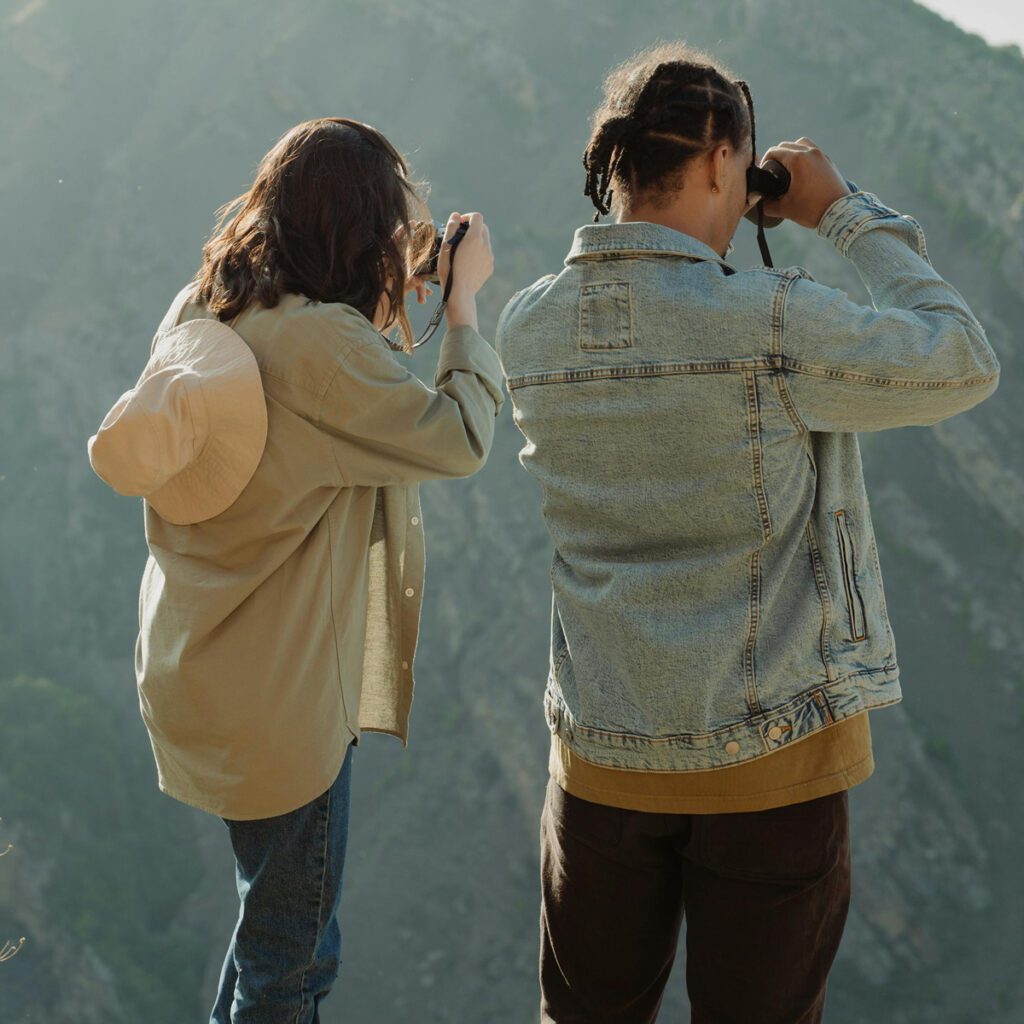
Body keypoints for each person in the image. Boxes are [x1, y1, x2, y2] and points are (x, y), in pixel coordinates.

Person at [495, 43, 999, 1024]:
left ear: (618, 166)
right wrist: (840, 212)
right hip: (770, 770)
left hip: (603, 754)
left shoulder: (527, 327)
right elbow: (962, 357)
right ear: (727, 157)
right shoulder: (771, 321)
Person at [87, 117, 504, 1023]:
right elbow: (460, 437)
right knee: (294, 962)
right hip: (282, 704)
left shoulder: (207, 303)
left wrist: (405, 278)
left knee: (264, 930)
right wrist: (463, 303)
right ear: (361, 228)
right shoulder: (325, 351)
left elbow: (328, 387)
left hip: (199, 669)